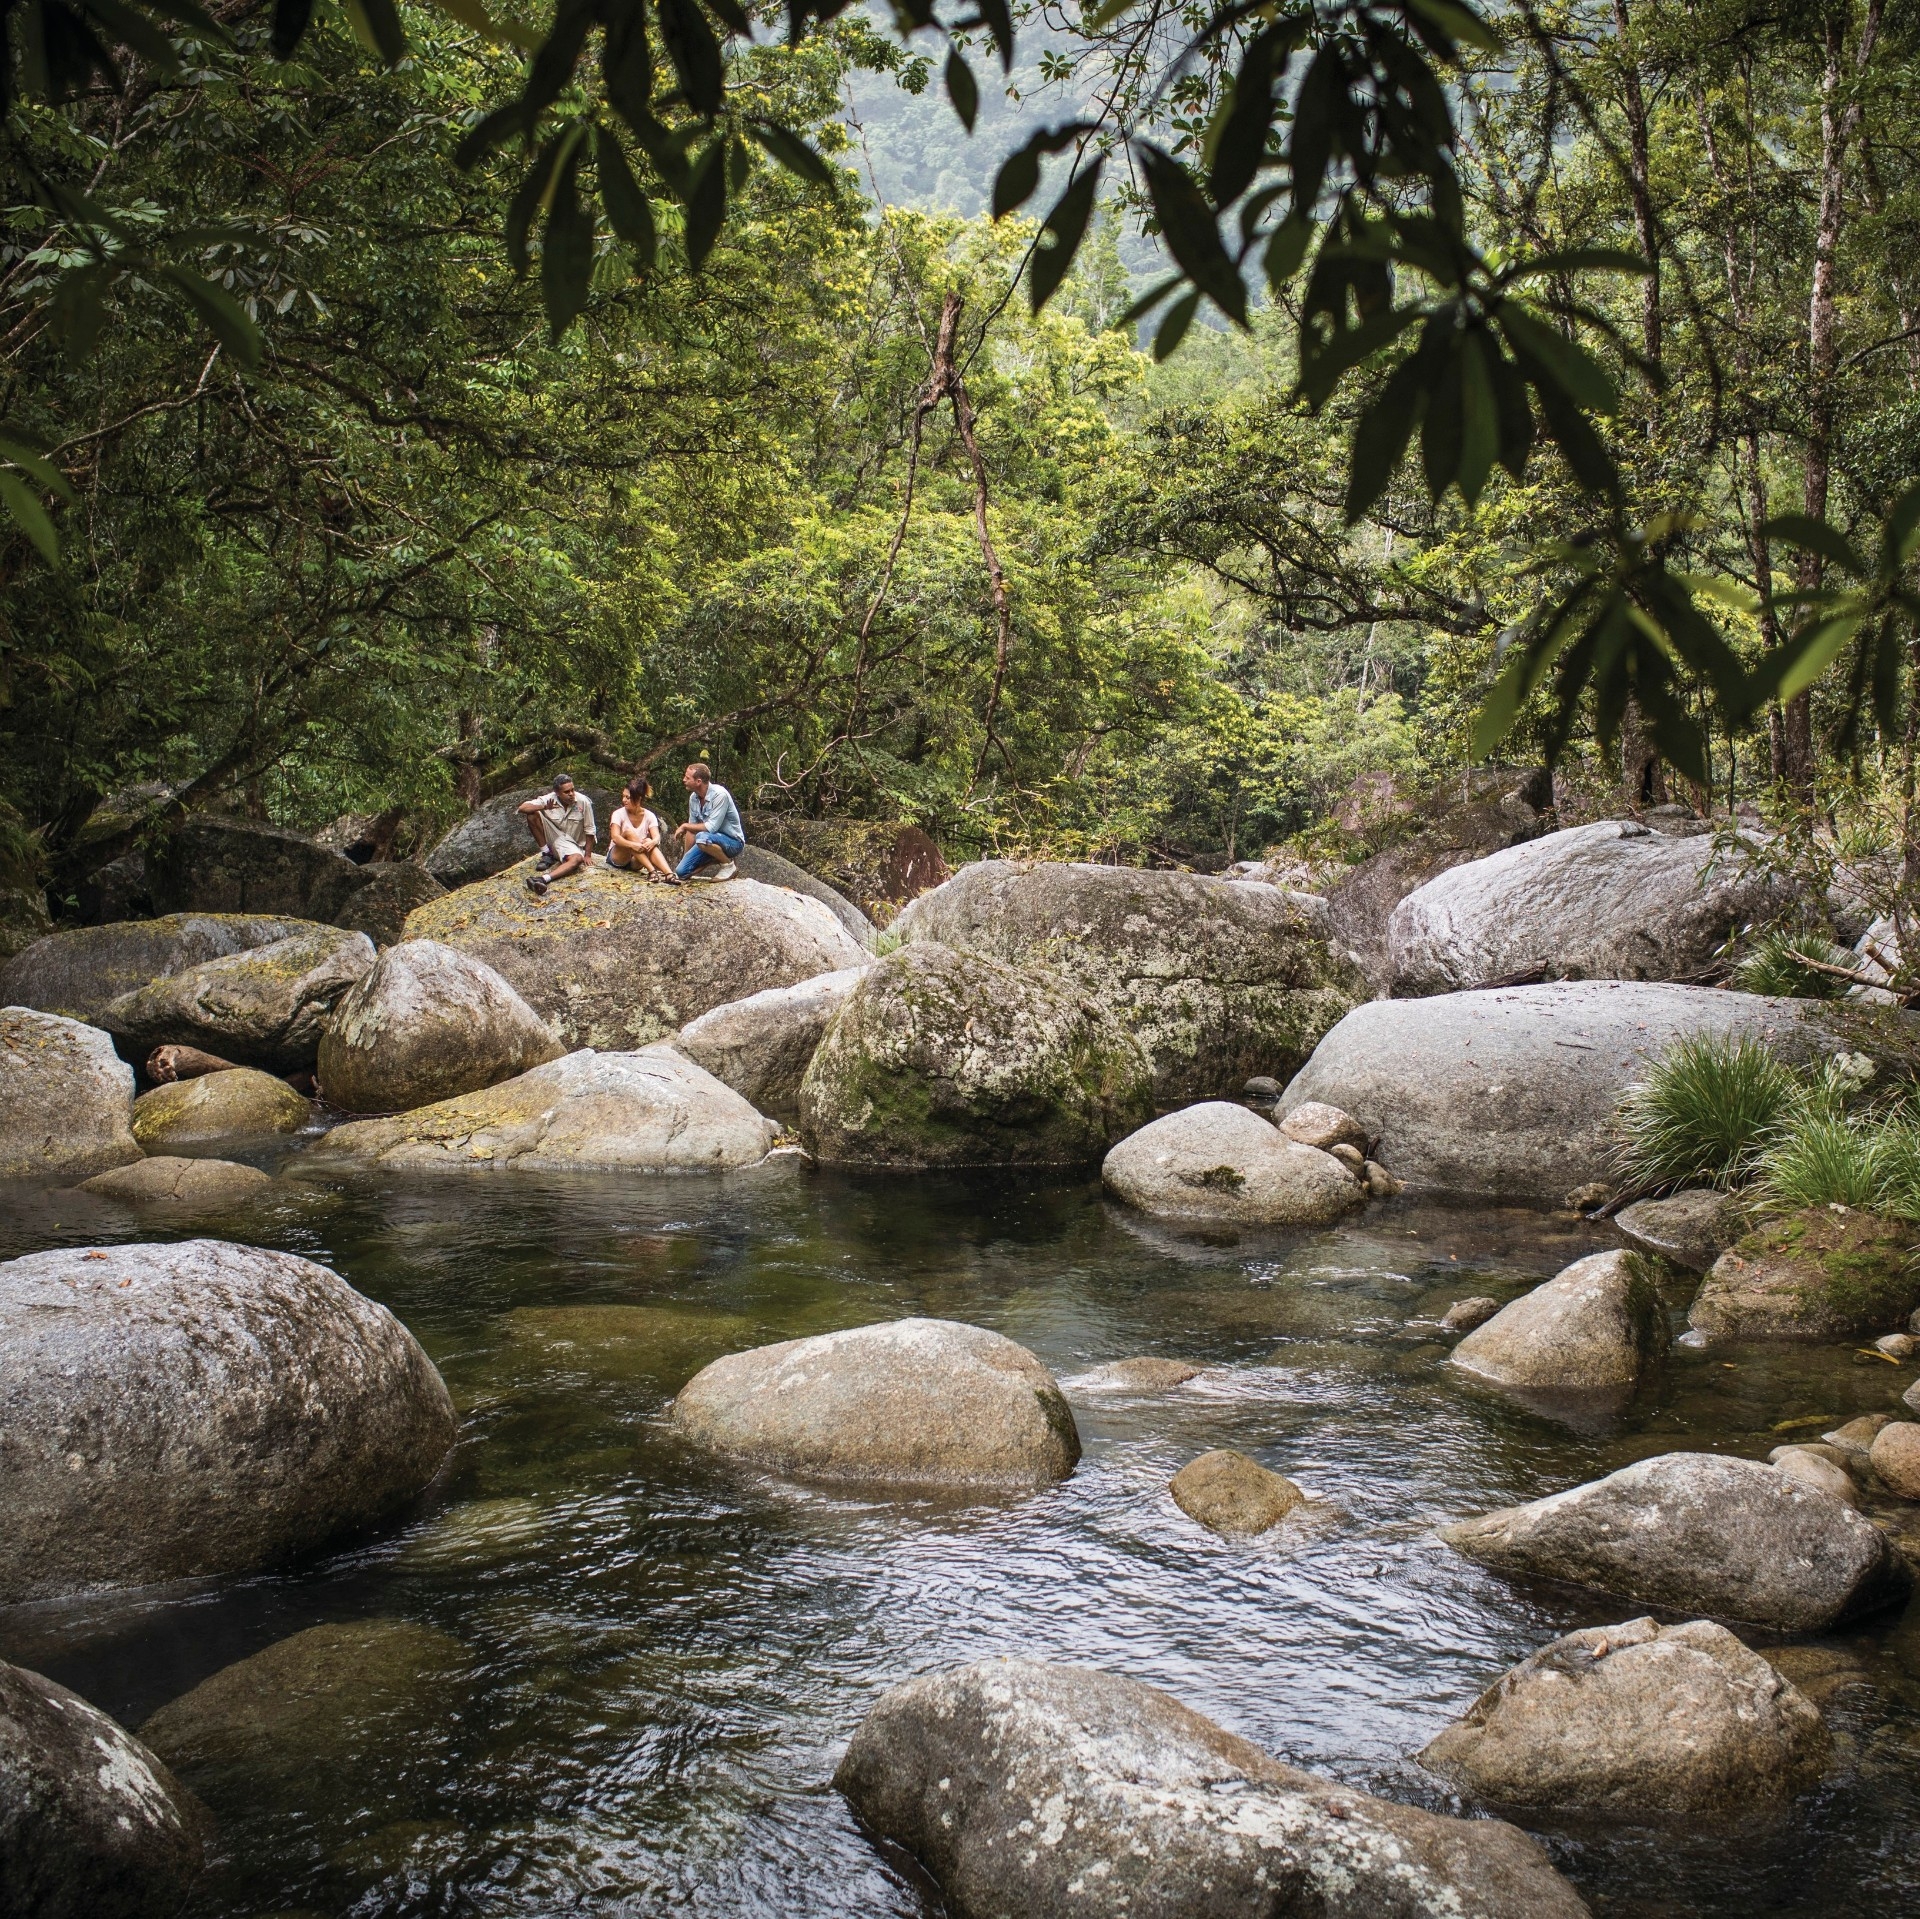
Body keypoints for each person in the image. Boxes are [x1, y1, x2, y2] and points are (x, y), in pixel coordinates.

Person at [518, 774, 597, 895]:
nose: (571, 794)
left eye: (572, 790)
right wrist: (544, 807)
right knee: (532, 813)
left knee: (577, 859)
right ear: (557, 793)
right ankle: (546, 853)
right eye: (567, 792)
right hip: (554, 836)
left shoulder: (583, 802)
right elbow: (523, 808)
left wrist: (588, 855)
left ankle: (542, 879)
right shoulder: (550, 799)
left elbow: (590, 829)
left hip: (572, 843)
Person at [672, 761, 745, 881]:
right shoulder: (693, 798)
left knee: (701, 837)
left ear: (698, 781)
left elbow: (711, 828)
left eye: (687, 777)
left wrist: (684, 826)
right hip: (709, 840)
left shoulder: (720, 795)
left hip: (733, 842)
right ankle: (713, 857)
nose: (683, 779)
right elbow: (691, 829)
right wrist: (687, 858)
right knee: (681, 872)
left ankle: (728, 865)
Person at [607, 777, 676, 881]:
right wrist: (633, 845)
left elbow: (656, 836)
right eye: (623, 796)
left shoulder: (649, 815)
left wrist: (652, 842)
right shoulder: (618, 814)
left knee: (649, 841)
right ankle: (652, 871)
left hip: (636, 861)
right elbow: (615, 838)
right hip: (619, 857)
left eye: (628, 797)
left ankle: (669, 874)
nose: (624, 800)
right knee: (629, 833)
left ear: (638, 798)